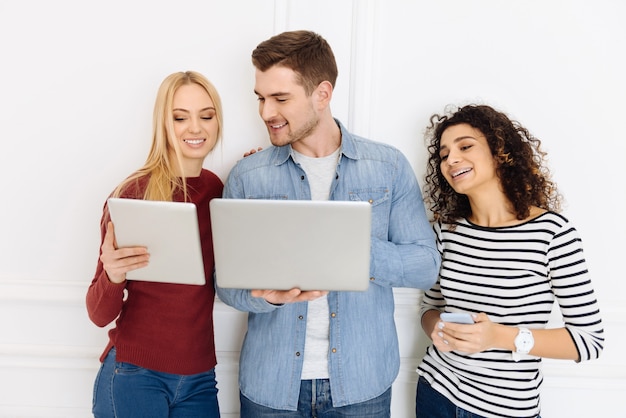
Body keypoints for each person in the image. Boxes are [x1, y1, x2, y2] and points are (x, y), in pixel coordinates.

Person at [215, 30, 441, 418]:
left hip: (362, 386)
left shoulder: (387, 167)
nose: (266, 112)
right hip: (271, 388)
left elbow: (425, 266)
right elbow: (227, 286)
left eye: (281, 98)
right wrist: (269, 295)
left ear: (322, 93)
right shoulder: (248, 177)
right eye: (261, 98)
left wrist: (350, 248)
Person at [415, 104, 604, 418]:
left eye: (465, 146)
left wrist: (499, 336)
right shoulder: (446, 232)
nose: (451, 160)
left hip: (505, 409)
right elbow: (429, 308)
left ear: (500, 152)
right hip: (436, 392)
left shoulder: (552, 234)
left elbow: (588, 341)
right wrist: (436, 327)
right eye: (444, 154)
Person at [86, 71, 224, 418]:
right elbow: (98, 314)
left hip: (200, 378)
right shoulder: (131, 195)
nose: (195, 128)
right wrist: (114, 276)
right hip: (134, 375)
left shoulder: (219, 191)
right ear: (164, 123)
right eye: (180, 117)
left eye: (206, 115)